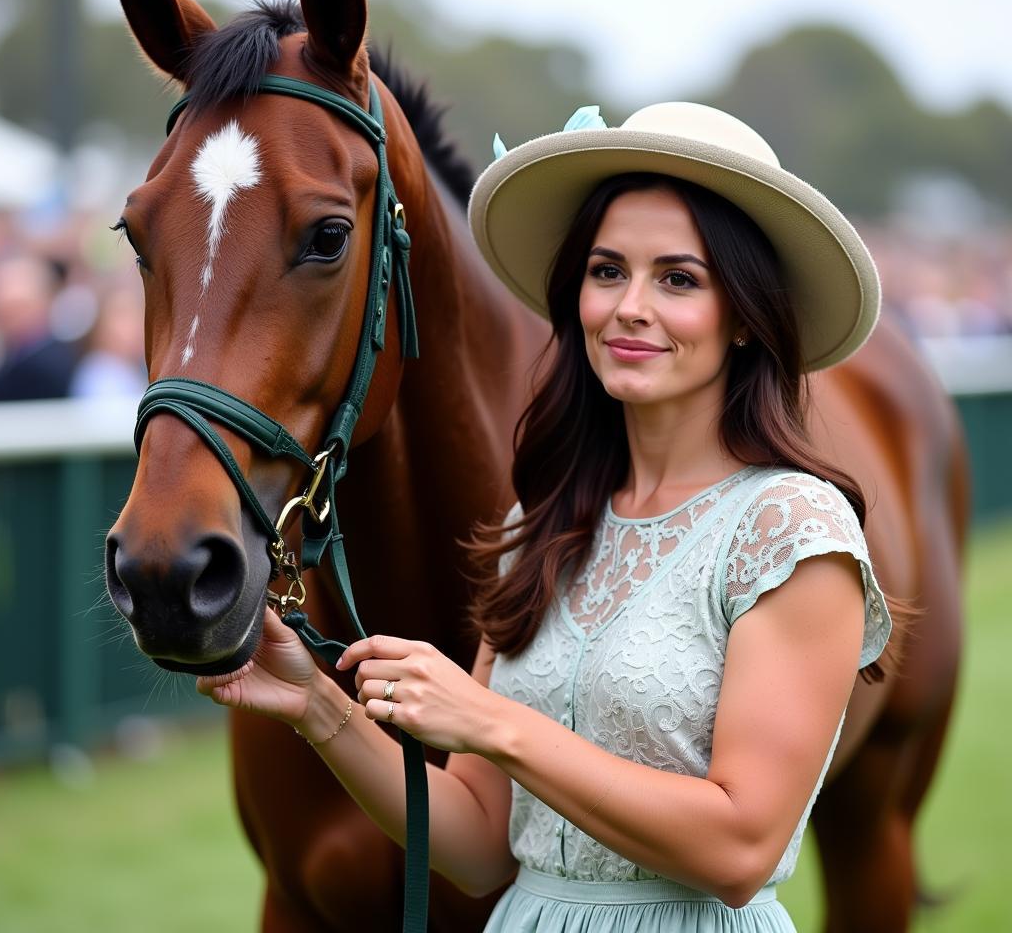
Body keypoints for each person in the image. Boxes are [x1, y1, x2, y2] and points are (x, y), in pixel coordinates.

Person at [197, 102, 892, 932]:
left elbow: (740, 849)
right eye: (607, 271)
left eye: (678, 278)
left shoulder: (792, 531)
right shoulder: (544, 520)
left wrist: (491, 722)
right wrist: (318, 706)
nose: (630, 305)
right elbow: (483, 844)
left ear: (745, 314)